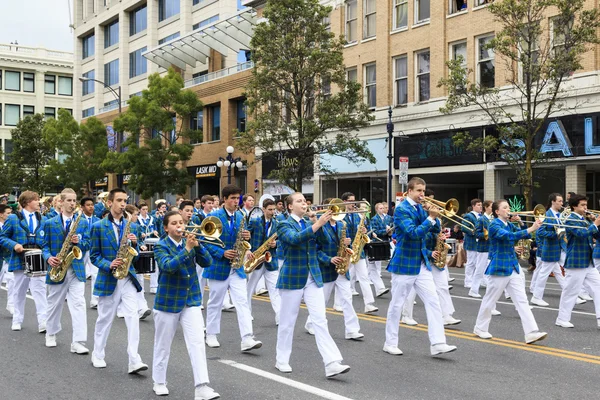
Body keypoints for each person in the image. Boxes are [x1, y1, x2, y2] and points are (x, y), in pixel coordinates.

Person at [275, 192, 351, 377]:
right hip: (293, 277)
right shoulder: (283, 223)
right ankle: (281, 359)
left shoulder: (310, 223)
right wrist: (317, 224)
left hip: (313, 277)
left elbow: (325, 241)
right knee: (287, 322)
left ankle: (331, 362)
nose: (304, 203)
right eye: (299, 201)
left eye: (304, 200)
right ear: (290, 206)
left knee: (320, 320)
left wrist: (319, 221)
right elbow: (294, 239)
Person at [384, 177, 457, 357]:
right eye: (418, 191)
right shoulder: (401, 210)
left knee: (433, 301)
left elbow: (433, 230)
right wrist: (430, 217)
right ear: (409, 191)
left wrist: (435, 217)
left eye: (423, 191)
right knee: (397, 305)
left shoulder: (420, 208)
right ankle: (390, 342)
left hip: (422, 263)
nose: (422, 195)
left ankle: (438, 343)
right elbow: (413, 233)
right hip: (404, 263)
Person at [152, 211, 219, 399]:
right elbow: (168, 266)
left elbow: (207, 262)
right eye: (174, 223)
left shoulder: (189, 242)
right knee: (163, 344)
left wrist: (198, 247)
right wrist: (187, 249)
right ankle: (159, 381)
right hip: (168, 302)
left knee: (197, 342)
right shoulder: (161, 246)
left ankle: (201, 387)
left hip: (191, 299)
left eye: (181, 222)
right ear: (166, 228)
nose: (179, 226)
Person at [89, 188, 148, 373]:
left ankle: (134, 359)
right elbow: (94, 256)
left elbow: (137, 258)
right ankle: (98, 354)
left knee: (132, 318)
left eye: (125, 200)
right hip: (109, 278)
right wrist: (109, 264)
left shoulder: (133, 226)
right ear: (109, 203)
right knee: (105, 319)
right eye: (119, 200)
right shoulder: (98, 227)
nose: (123, 204)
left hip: (128, 278)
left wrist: (136, 244)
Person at [473, 199, 548, 344]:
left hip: (512, 266)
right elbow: (509, 237)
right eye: (505, 208)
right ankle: (480, 328)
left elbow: (524, 234)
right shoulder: (494, 224)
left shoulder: (508, 224)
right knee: (490, 299)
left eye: (508, 207)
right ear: (497, 212)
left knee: (522, 300)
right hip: (499, 266)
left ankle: (531, 332)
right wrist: (532, 228)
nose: (509, 210)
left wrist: (522, 223)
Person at [203, 185, 262, 351]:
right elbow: (206, 242)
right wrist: (222, 253)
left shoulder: (240, 216)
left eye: (238, 199)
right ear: (225, 199)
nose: (236, 202)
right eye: (233, 198)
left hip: (237, 268)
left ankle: (247, 338)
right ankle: (211, 334)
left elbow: (242, 240)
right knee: (215, 302)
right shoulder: (214, 217)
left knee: (242, 302)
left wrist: (247, 240)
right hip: (218, 266)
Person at [305, 198, 364, 340]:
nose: (336, 212)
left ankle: (351, 330)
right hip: (326, 267)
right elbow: (315, 250)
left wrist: (347, 244)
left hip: (342, 267)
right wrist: (329, 259)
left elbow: (343, 245)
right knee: (322, 300)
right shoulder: (320, 225)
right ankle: (310, 323)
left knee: (347, 299)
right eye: (333, 209)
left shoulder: (341, 224)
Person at [42, 188, 90, 354]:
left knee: (78, 303)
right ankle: (51, 333)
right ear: (60, 202)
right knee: (54, 303)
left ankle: (78, 341)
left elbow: (88, 244)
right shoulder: (49, 223)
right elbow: (44, 246)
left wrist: (80, 241)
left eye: (74, 200)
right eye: (69, 200)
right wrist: (48, 257)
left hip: (76, 268)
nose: (72, 203)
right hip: (57, 267)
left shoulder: (82, 222)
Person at [0, 191, 48, 332]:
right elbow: (2, 237)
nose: (39, 202)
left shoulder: (42, 219)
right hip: (20, 258)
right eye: (36, 200)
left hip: (38, 258)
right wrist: (14, 245)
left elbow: (46, 239)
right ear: (27, 202)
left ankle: (43, 321)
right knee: (19, 290)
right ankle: (17, 319)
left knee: (39, 290)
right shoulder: (14, 218)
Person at [555, 194, 600, 329]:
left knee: (598, 289)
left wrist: (595, 223)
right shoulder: (570, 220)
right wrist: (595, 224)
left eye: (586, 205)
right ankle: (562, 319)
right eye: (582, 205)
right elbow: (581, 235)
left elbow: (595, 235)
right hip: (576, 261)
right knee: (571, 291)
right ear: (574, 206)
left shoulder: (585, 221)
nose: (586, 208)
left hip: (588, 261)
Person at [341, 192, 378, 314]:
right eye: (351, 201)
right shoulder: (340, 216)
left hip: (358, 250)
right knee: (342, 278)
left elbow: (363, 231)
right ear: (345, 202)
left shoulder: (358, 216)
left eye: (354, 201)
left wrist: (364, 230)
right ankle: (339, 303)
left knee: (364, 277)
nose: (354, 204)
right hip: (346, 250)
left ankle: (369, 304)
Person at [246, 199, 281, 325]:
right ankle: (247, 313)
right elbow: (246, 236)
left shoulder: (277, 223)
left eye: (274, 210)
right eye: (270, 209)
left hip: (271, 260)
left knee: (275, 289)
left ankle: (279, 317)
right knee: (250, 288)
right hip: (256, 259)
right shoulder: (255, 221)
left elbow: (282, 240)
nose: (272, 212)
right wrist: (248, 250)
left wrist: (276, 243)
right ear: (264, 209)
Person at [531, 193, 568, 306]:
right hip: (550, 248)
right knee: (544, 274)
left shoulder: (560, 215)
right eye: (560, 201)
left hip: (560, 247)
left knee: (562, 272)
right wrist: (556, 233)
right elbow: (540, 232)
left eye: (562, 201)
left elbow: (562, 229)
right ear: (553, 201)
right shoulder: (545, 215)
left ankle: (572, 294)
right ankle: (536, 297)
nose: (562, 203)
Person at [469, 200, 494, 298]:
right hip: (483, 248)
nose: (493, 208)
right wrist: (486, 234)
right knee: (479, 269)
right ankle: (473, 290)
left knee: (491, 269)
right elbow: (476, 233)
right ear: (486, 207)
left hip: (491, 248)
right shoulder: (481, 219)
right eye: (491, 207)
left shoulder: (492, 219)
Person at [80, 197, 101, 308]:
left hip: (93, 250)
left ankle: (95, 300)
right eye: (88, 205)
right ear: (82, 207)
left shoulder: (97, 220)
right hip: (81, 250)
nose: (91, 207)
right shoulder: (78, 219)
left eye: (92, 204)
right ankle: (78, 298)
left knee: (96, 274)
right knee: (80, 275)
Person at [368, 202, 391, 297]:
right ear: (376, 209)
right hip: (374, 243)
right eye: (380, 208)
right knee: (368, 268)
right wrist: (384, 231)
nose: (382, 210)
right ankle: (350, 287)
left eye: (383, 208)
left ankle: (379, 289)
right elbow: (374, 231)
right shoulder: (373, 219)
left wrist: (389, 233)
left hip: (384, 242)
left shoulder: (388, 218)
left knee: (372, 268)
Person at [463, 199, 482, 289]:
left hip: (479, 243)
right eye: (478, 205)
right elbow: (464, 228)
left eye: (481, 205)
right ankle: (468, 281)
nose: (480, 207)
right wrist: (474, 232)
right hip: (471, 242)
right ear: (473, 206)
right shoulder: (469, 216)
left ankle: (477, 280)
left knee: (478, 263)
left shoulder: (481, 216)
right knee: (471, 263)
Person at [0, 204, 15, 315]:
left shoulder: (11, 226)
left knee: (12, 281)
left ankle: (11, 304)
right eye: (8, 213)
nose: (10, 215)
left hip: (9, 258)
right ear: (1, 214)